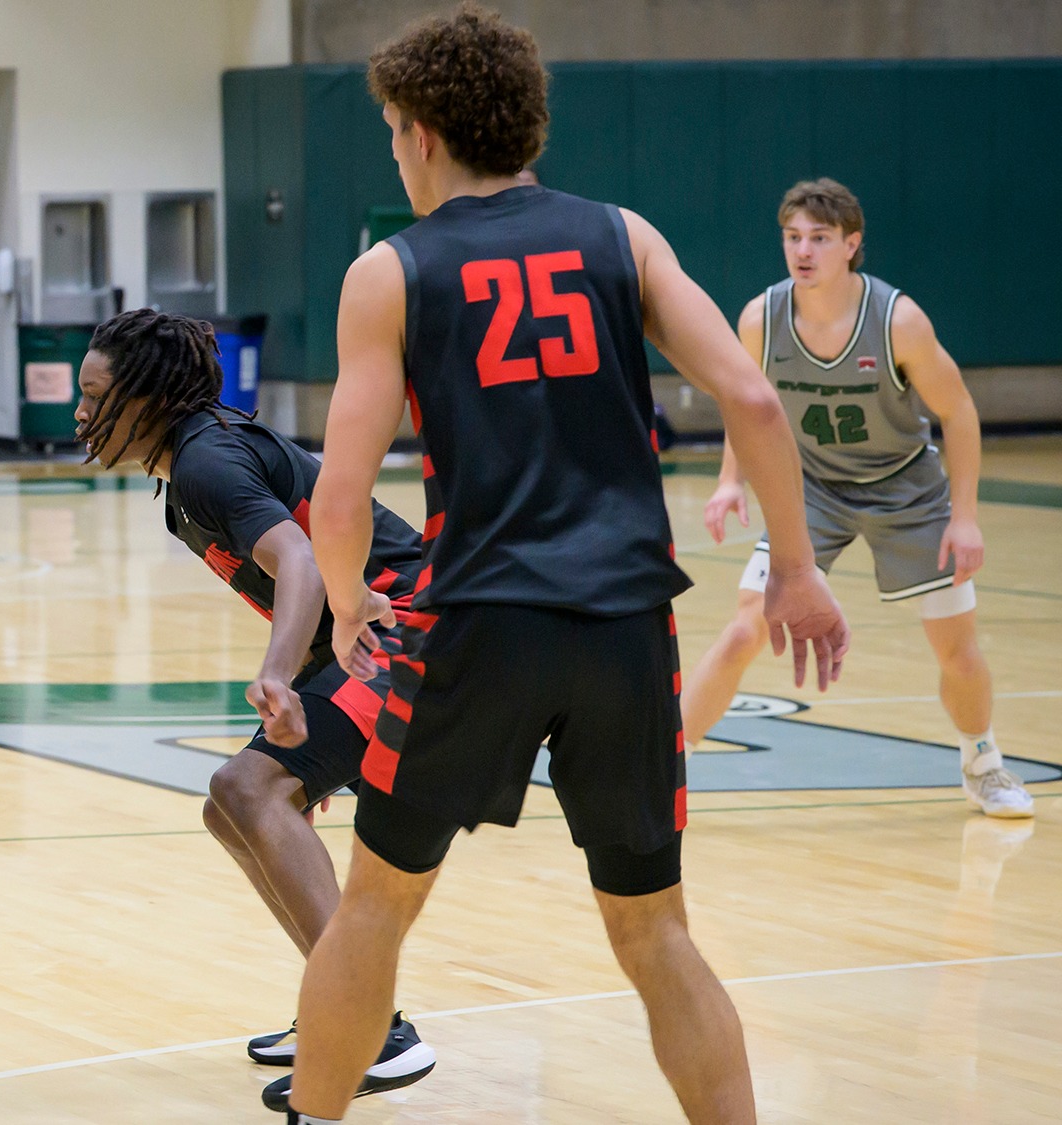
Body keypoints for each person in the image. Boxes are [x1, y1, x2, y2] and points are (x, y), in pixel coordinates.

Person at [280, 6, 851, 1123]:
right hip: (627, 625)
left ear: (423, 135)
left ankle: (313, 1115)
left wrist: (345, 602)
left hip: (473, 625)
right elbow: (748, 395)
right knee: (652, 930)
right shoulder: (621, 235)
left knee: (373, 908)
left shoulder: (389, 272)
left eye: (392, 129)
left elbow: (338, 495)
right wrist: (793, 566)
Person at [72, 308, 436, 1094]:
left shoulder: (206, 460)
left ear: (144, 394)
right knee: (231, 804)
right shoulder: (186, 476)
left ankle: (370, 1024)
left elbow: (302, 562)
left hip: (416, 626)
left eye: (94, 394)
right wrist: (306, 703)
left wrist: (279, 680)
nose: (79, 412)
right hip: (370, 635)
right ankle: (340, 996)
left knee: (250, 786)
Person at [682, 178, 1033, 818]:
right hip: (809, 488)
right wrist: (729, 480)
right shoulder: (762, 316)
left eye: (819, 238)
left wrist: (965, 518)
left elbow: (958, 413)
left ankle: (983, 762)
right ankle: (666, 770)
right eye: (793, 238)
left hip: (906, 487)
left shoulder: (898, 320)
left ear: (851, 245)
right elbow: (745, 403)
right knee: (742, 630)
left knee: (956, 648)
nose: (803, 251)